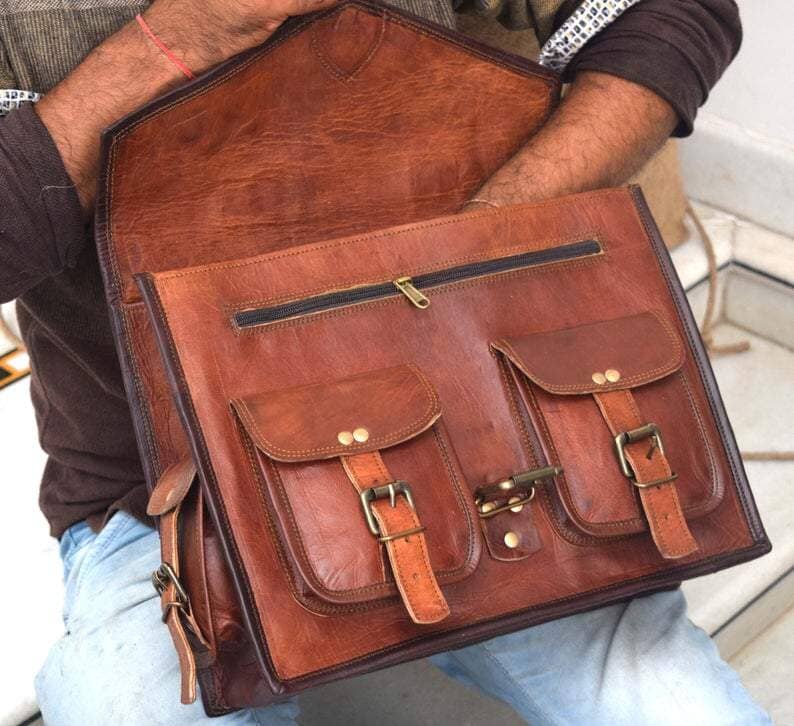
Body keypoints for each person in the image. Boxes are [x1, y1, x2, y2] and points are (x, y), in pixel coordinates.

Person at [0, 0, 771, 723]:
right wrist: (173, 42)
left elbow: (673, 11)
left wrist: (474, 246)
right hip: (167, 505)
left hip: (485, 456)